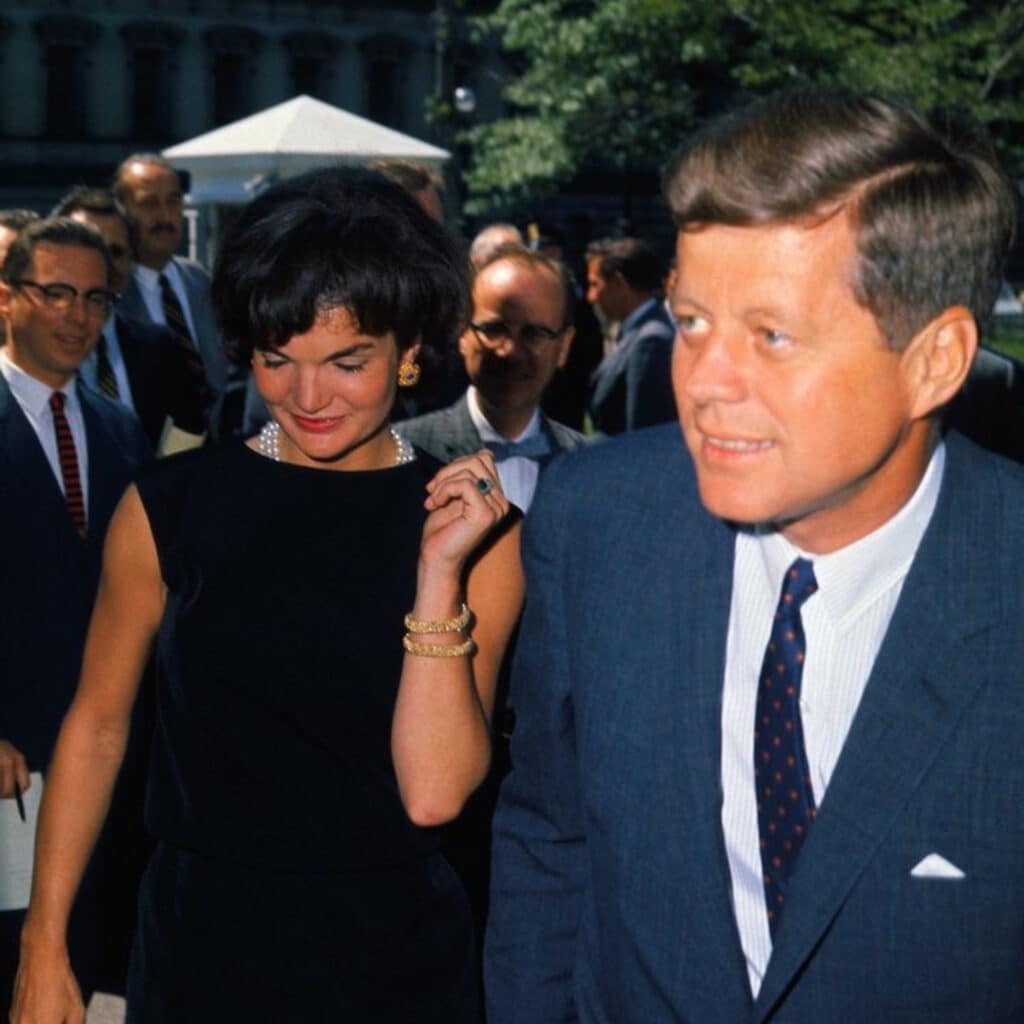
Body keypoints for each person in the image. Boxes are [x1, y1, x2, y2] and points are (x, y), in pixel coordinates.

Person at [485, 88, 1024, 1022]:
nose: (703, 383)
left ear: (935, 360)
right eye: (692, 322)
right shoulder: (595, 522)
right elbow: (549, 835)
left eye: (772, 336)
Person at [12, 167, 522, 1023]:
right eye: (277, 359)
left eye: (347, 362)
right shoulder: (168, 506)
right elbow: (97, 726)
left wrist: (437, 575)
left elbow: (435, 793)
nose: (307, 397)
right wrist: (43, 941)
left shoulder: (476, 535)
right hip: (200, 948)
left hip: (393, 960)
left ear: (409, 351)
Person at [0, 218, 150, 1014]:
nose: (77, 315)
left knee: (85, 983)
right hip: (10, 775)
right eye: (56, 292)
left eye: (95, 298)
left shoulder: (119, 429)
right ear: (6, 298)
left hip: (103, 777)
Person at [400, 244, 588, 513]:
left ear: (564, 347)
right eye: (494, 329)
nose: (510, 351)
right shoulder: (404, 450)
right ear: (462, 333)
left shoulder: (591, 463)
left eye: (533, 334)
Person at [52, 187, 209, 449]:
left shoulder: (158, 346)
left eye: (116, 252)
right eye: (91, 250)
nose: (105, 266)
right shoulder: (37, 346)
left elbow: (189, 430)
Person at [112, 153, 234, 438]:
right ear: (121, 213)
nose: (165, 216)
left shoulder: (201, 281)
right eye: (149, 204)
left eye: (173, 201)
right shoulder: (112, 297)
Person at [585, 235, 677, 433]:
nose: (591, 297)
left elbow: (643, 435)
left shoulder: (650, 342)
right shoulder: (636, 333)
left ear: (618, 283)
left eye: (595, 285)